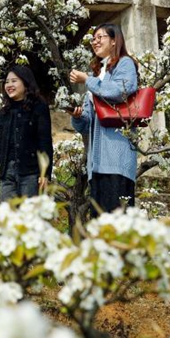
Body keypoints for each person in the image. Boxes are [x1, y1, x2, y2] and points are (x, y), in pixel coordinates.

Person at [69, 23, 139, 216]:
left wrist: (87, 81)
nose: (95, 41)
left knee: (118, 224)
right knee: (100, 226)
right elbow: (86, 124)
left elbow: (120, 91)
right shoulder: (98, 74)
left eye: (100, 37)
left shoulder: (125, 63)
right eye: (93, 38)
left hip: (117, 159)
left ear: (115, 40)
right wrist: (77, 116)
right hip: (97, 164)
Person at [0, 65, 53, 202]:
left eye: (14, 81)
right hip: (7, 174)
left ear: (26, 82)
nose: (9, 85)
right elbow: (1, 143)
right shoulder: (4, 112)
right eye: (7, 81)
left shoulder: (39, 107)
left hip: (30, 173)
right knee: (8, 218)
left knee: (29, 218)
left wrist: (45, 173)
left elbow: (44, 142)